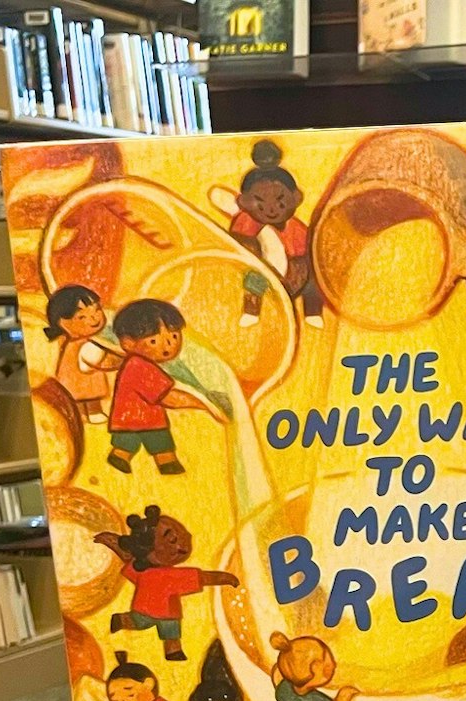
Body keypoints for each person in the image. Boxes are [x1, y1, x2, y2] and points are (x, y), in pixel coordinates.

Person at [95, 506, 239, 661]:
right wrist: (227, 578)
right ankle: (171, 650)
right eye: (172, 539)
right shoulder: (171, 576)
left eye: (182, 532)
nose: (186, 538)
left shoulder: (142, 569)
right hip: (165, 613)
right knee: (167, 632)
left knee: (145, 624)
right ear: (152, 551)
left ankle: (126, 622)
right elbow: (204, 578)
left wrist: (111, 540)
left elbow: (126, 556)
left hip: (147, 610)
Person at [107, 299, 216, 475]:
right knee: (154, 441)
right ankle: (154, 461)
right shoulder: (141, 367)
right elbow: (169, 398)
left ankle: (133, 458)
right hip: (139, 418)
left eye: (173, 336)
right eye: (153, 341)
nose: (169, 345)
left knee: (140, 440)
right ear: (128, 343)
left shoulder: (138, 363)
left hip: (135, 417)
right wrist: (203, 403)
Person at [223, 139, 322, 327]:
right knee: (254, 278)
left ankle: (313, 311)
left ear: (296, 198)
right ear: (243, 202)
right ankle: (252, 310)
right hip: (263, 273)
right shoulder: (245, 222)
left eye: (280, 201)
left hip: (295, 275)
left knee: (313, 281)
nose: (271, 210)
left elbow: (307, 251)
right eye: (260, 202)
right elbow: (239, 246)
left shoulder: (296, 228)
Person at [43, 285, 121, 424]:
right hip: (79, 379)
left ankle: (86, 413)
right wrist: (117, 360)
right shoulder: (86, 345)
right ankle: (90, 413)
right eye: (83, 316)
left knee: (81, 397)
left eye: (97, 310)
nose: (95, 318)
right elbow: (95, 361)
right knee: (84, 396)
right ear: (65, 323)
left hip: (75, 379)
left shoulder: (75, 344)